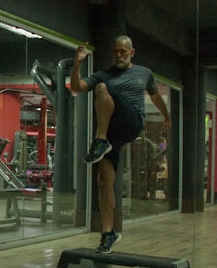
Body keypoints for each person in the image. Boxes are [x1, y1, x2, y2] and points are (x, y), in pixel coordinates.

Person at [70, 35, 171, 254]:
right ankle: (109, 233)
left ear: (132, 52)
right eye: (115, 51)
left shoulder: (144, 73)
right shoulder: (104, 73)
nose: (119, 55)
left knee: (102, 88)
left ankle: (100, 140)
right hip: (113, 131)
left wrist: (167, 116)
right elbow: (77, 86)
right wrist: (77, 64)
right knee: (104, 181)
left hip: (132, 121)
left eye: (123, 51)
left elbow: (155, 97)